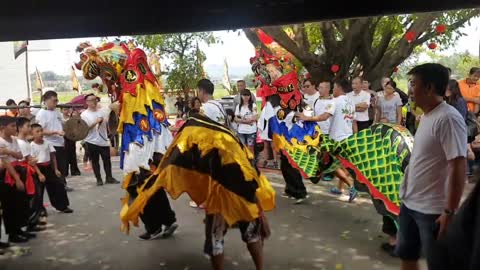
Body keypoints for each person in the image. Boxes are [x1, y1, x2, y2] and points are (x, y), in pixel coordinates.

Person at [395, 63, 467, 270]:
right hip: (410, 203)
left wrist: (450, 211)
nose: (409, 89)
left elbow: (458, 165)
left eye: (413, 83)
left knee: (439, 265)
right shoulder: (427, 116)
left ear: (428, 88)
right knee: (408, 257)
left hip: (433, 211)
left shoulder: (448, 118)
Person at [197, 78, 264, 270]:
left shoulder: (205, 110)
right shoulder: (221, 106)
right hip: (239, 168)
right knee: (249, 228)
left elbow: (203, 141)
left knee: (215, 235)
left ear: (201, 91)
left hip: (222, 176)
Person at [296, 78, 358, 202]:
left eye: (334, 87)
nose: (333, 90)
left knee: (331, 166)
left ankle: (352, 186)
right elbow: (353, 122)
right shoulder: (350, 102)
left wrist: (306, 118)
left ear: (339, 88)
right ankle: (341, 188)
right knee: (341, 165)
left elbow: (324, 117)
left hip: (335, 140)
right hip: (348, 138)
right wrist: (355, 137)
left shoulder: (334, 101)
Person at [131, 153, 178, 240]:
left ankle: (154, 227)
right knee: (156, 189)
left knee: (142, 193)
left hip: (143, 160)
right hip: (153, 158)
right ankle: (168, 221)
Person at [0, 116, 31, 244]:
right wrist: (17, 179)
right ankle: (12, 233)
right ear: (2, 128)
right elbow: (6, 162)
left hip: (17, 169)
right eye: (12, 126)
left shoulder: (13, 139)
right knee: (9, 205)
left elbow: (19, 155)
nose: (15, 128)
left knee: (19, 203)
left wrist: (10, 152)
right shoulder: (1, 142)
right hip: (8, 175)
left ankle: (18, 229)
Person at [35, 91, 73, 192]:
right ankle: (57, 187)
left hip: (60, 143)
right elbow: (40, 131)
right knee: (55, 167)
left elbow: (62, 124)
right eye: (54, 100)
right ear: (46, 100)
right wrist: (55, 132)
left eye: (57, 100)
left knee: (63, 166)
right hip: (50, 144)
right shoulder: (42, 114)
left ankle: (62, 184)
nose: (56, 103)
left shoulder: (57, 112)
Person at [15, 117, 47, 232]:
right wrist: (39, 174)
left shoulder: (24, 142)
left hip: (28, 171)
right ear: (20, 128)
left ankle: (32, 221)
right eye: (27, 126)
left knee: (34, 197)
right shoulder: (20, 143)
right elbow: (29, 161)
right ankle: (31, 223)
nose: (29, 128)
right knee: (33, 197)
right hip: (27, 172)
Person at [80, 94, 119, 186]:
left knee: (107, 160)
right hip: (91, 141)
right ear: (87, 102)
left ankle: (109, 177)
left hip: (103, 140)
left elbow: (113, 109)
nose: (93, 101)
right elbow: (84, 129)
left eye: (95, 99)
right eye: (91, 100)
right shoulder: (84, 115)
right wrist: (96, 122)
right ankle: (98, 179)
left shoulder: (102, 111)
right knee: (95, 161)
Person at [234, 89, 258, 154]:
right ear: (241, 96)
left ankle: (251, 162)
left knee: (250, 147)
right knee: (243, 148)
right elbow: (235, 118)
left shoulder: (253, 105)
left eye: (247, 95)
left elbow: (255, 117)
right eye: (244, 95)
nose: (246, 97)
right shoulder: (238, 106)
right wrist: (245, 121)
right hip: (241, 131)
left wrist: (243, 120)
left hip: (251, 131)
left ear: (250, 96)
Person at [62, 107, 81, 176]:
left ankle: (74, 170)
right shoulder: (60, 119)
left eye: (67, 109)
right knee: (65, 155)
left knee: (73, 154)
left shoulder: (71, 118)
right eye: (64, 109)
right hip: (63, 137)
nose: (66, 111)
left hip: (71, 138)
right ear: (62, 110)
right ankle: (65, 171)